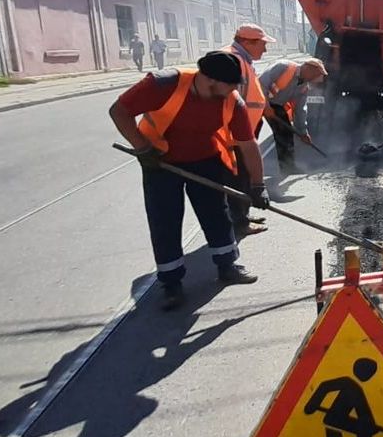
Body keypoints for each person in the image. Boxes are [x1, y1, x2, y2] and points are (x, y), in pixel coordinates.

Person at [108, 51, 269, 311]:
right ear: (209, 80)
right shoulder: (162, 84)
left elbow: (248, 144)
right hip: (159, 161)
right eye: (229, 86)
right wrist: (142, 148)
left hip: (205, 159)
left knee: (217, 214)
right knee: (165, 220)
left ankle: (227, 266)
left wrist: (258, 185)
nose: (233, 91)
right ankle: (171, 284)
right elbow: (118, 111)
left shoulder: (232, 101)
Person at [221, 23, 276, 237]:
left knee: (242, 177)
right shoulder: (232, 59)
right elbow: (230, 99)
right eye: (262, 44)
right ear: (247, 42)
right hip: (233, 136)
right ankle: (239, 223)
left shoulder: (243, 59)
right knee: (236, 178)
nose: (265, 49)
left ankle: (242, 213)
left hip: (242, 133)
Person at [258, 58, 328, 175]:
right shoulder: (283, 67)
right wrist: (265, 106)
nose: (314, 80)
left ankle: (287, 167)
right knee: (249, 135)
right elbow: (260, 84)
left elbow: (300, 110)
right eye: (315, 75)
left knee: (285, 133)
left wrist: (303, 132)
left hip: (275, 104)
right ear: (308, 69)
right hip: (257, 101)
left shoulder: (303, 86)